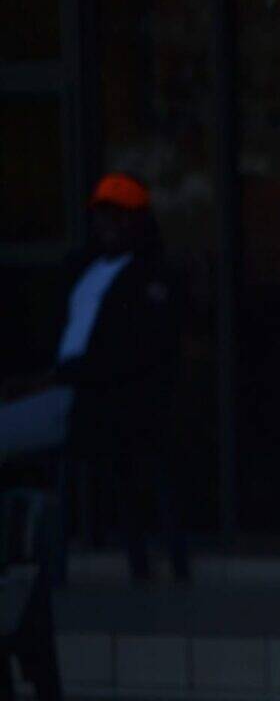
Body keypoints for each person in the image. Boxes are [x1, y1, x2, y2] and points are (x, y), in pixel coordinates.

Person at [0, 172, 187, 582]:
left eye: (119, 217)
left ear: (138, 221)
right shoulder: (83, 269)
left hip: (96, 400)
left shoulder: (151, 279)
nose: (108, 226)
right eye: (102, 217)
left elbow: (129, 356)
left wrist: (55, 380)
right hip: (62, 386)